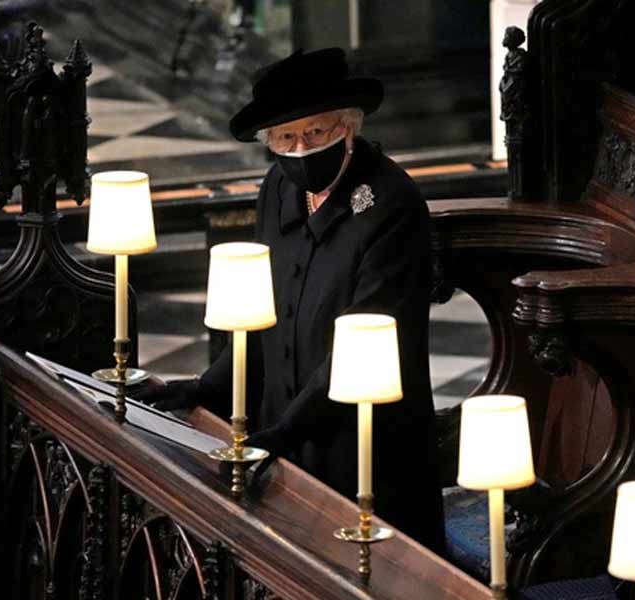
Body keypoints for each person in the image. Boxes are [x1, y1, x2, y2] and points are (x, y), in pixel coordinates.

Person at [141, 48, 445, 552]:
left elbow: (364, 339)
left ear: (348, 127)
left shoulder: (390, 204)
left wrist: (285, 433)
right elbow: (265, 312)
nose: (300, 148)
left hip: (362, 441)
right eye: (285, 137)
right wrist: (205, 387)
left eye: (316, 132)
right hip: (281, 429)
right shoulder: (279, 186)